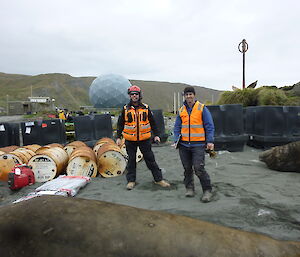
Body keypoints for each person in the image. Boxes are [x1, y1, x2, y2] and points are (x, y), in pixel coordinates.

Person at [116, 85, 170, 190]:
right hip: (130, 140)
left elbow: (153, 122)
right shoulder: (125, 109)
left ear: (139, 95)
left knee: (151, 160)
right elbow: (120, 124)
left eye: (136, 94)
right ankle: (131, 181)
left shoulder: (145, 108)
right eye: (132, 94)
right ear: (130, 96)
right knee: (131, 161)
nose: (134, 96)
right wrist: (118, 137)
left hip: (144, 139)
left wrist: (157, 135)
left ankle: (158, 179)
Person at [173, 86, 214, 203]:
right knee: (187, 168)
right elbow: (177, 127)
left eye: (191, 94)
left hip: (198, 145)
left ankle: (207, 190)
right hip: (184, 145)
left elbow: (209, 126)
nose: (189, 96)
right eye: (186, 94)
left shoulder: (202, 108)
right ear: (184, 96)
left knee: (199, 168)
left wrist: (210, 141)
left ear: (194, 95)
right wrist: (176, 139)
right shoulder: (181, 110)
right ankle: (189, 188)